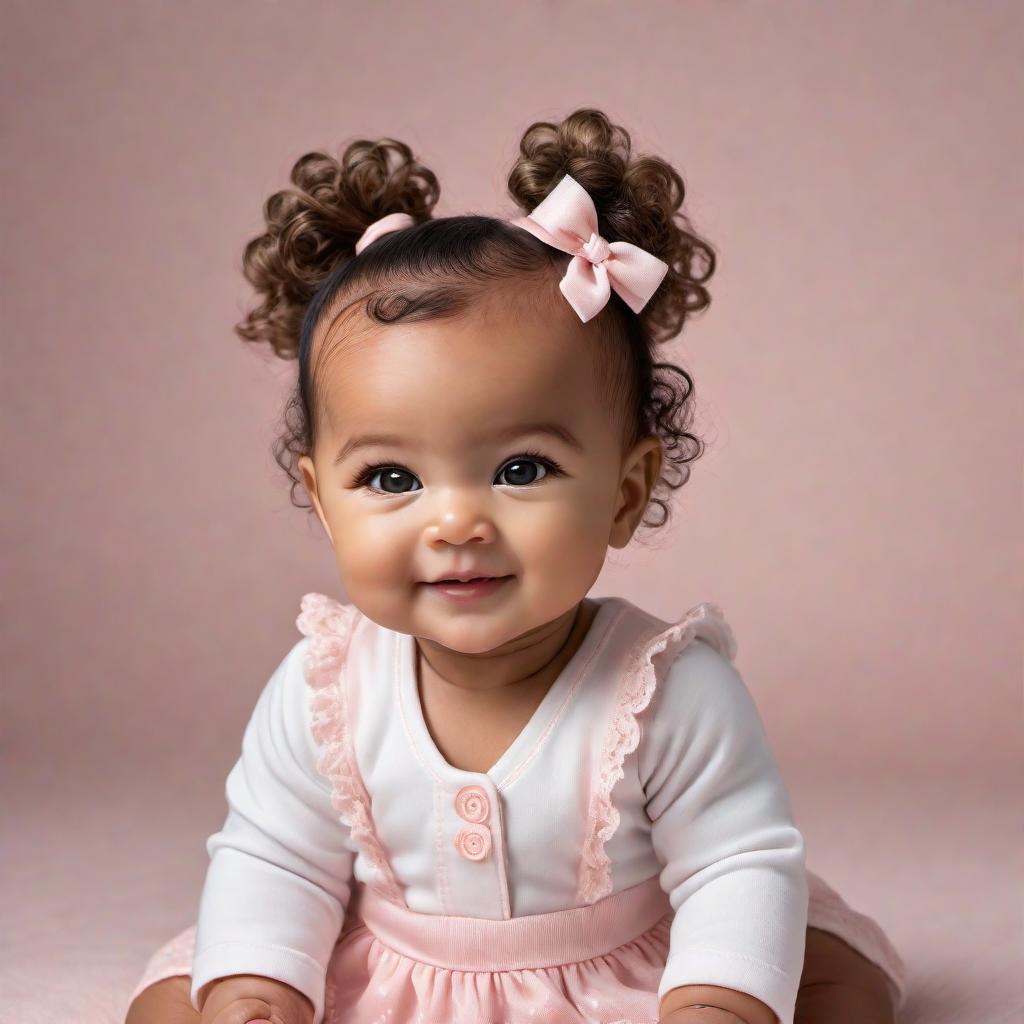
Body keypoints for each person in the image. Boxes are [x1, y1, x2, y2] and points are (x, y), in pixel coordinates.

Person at [124, 109, 906, 1024]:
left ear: (624, 490)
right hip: (398, 965)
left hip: (628, 969)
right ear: (323, 500)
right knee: (183, 995)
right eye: (390, 477)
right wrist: (258, 988)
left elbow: (737, 862)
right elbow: (275, 855)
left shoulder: (668, 692)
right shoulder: (324, 688)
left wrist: (717, 1002)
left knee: (827, 983)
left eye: (520, 470)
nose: (458, 521)